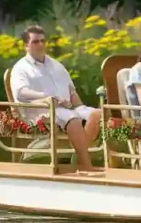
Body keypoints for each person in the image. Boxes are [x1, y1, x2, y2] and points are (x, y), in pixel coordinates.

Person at [10, 25, 101, 173]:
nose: (40, 45)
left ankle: (78, 157)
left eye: (42, 41)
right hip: (43, 109)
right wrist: (46, 97)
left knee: (98, 114)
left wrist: (79, 106)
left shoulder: (56, 65)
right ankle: (85, 164)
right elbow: (21, 92)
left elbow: (71, 90)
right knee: (72, 119)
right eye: (35, 42)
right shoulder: (21, 68)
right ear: (26, 45)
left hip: (66, 106)